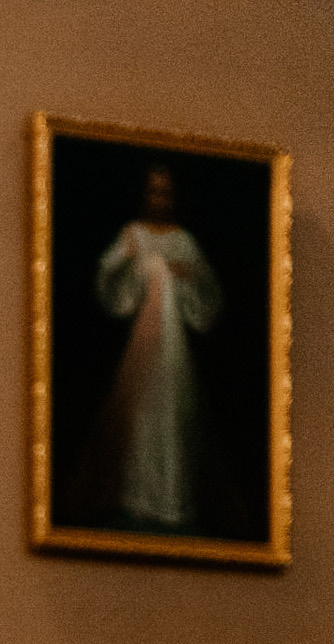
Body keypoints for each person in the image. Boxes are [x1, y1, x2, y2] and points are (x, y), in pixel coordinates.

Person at [74, 162, 223, 532]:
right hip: (142, 343)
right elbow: (110, 281)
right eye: (155, 191)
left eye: (166, 192)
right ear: (145, 194)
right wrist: (127, 259)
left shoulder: (184, 241)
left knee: (172, 410)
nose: (161, 199)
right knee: (142, 412)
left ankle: (171, 498)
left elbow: (208, 295)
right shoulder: (134, 234)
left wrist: (184, 277)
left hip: (174, 346)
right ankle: (142, 498)